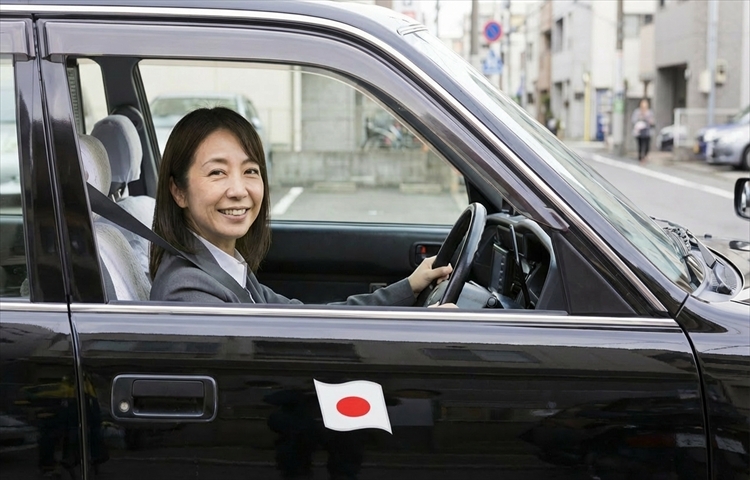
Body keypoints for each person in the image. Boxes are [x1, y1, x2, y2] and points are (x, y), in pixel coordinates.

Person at [149, 107, 451, 305]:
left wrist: (409, 287)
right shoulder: (189, 290)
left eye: (250, 171)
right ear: (179, 191)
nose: (239, 190)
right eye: (217, 172)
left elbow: (306, 319)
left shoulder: (225, 266)